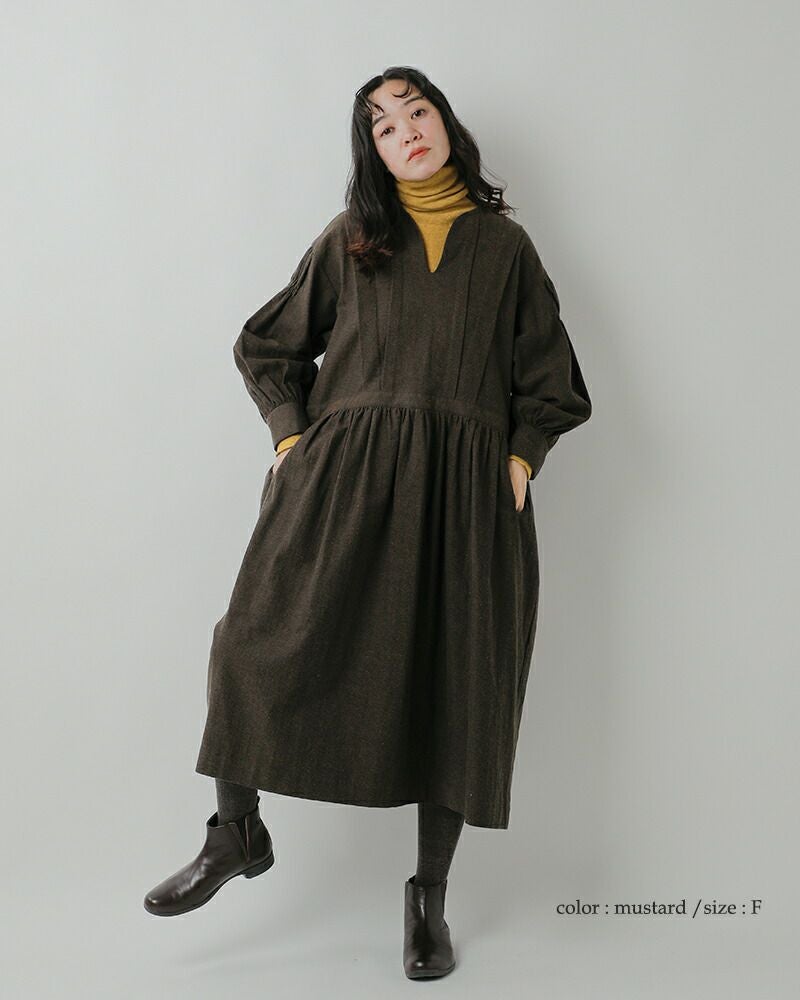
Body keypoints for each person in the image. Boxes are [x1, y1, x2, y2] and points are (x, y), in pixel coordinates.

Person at [143, 66, 592, 980]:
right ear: (373, 153)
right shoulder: (353, 239)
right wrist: (290, 439)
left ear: (445, 123)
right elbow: (267, 344)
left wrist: (518, 460)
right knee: (252, 642)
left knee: (454, 684)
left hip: (464, 499)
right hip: (341, 487)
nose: (405, 131)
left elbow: (552, 380)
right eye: (383, 126)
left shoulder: (507, 249)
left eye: (415, 111)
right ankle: (236, 832)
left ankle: (428, 898)